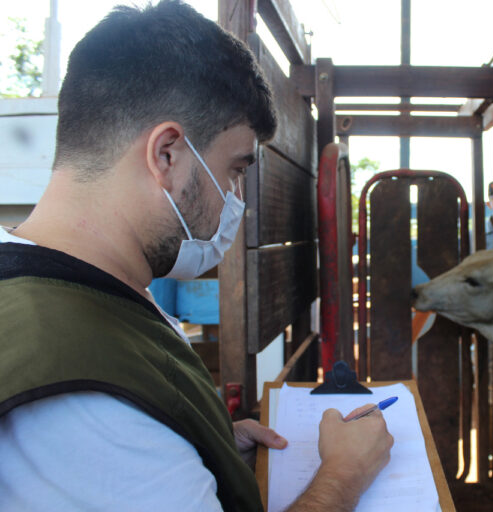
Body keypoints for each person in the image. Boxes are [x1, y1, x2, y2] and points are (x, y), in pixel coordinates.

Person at [0, 2, 392, 511]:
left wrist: (205, 450)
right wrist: (344, 475)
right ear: (167, 154)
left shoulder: (77, 290)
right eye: (233, 170)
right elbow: (111, 448)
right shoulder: (84, 397)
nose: (237, 201)